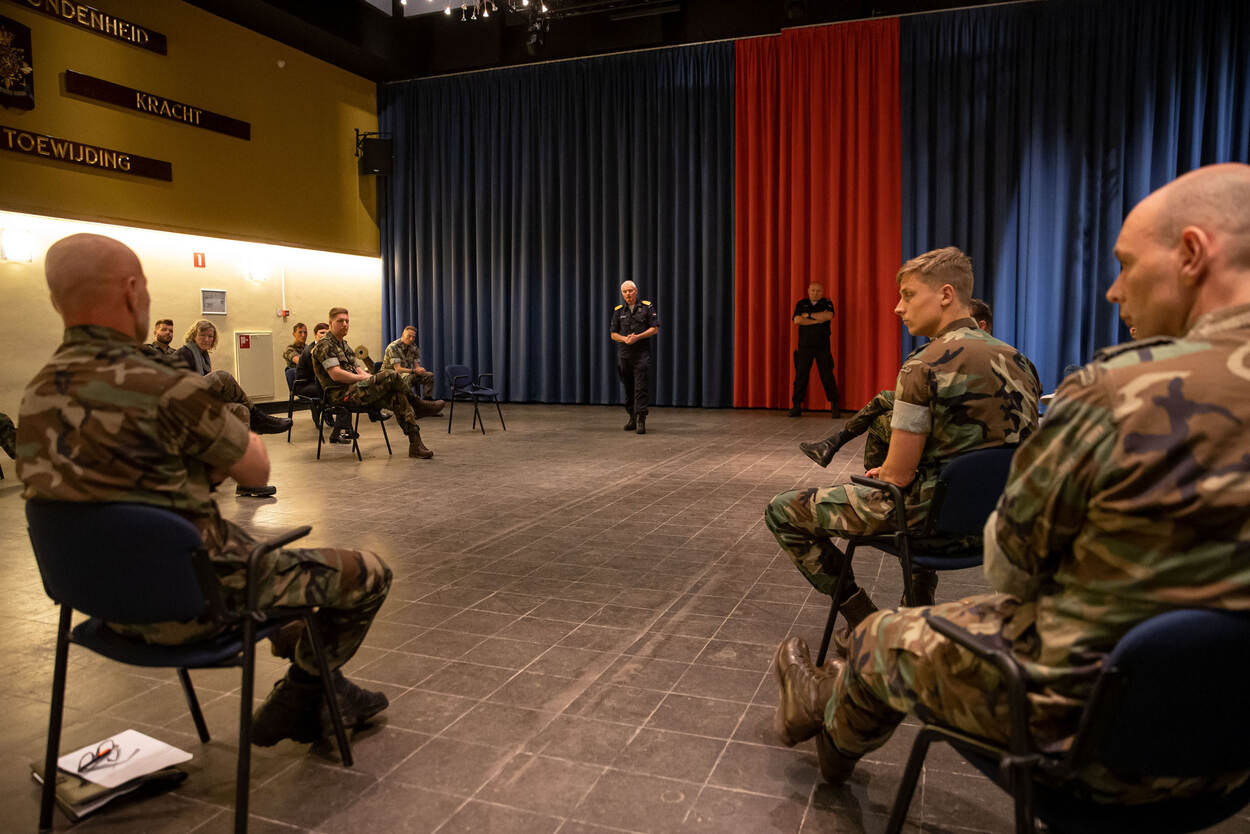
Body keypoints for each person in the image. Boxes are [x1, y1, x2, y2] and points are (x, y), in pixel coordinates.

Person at [773, 163, 1250, 804]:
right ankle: (824, 705)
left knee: (880, 636)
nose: (1115, 291)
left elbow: (1013, 562)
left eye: (1127, 265)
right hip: (1231, 753)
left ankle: (828, 719)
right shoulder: (1020, 360)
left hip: (1107, 743)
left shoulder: (1118, 389)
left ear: (1192, 253)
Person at [16, 233, 393, 746]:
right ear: (131, 291)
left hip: (100, 604)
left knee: (282, 597)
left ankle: (330, 691)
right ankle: (303, 692)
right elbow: (256, 472)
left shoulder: (36, 393)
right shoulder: (163, 384)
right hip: (193, 605)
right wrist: (227, 426)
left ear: (57, 300)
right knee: (368, 572)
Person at [765, 250, 1040, 636]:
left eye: (908, 295)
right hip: (995, 524)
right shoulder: (1020, 361)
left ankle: (868, 623)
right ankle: (918, 596)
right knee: (909, 468)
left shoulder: (923, 364)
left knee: (782, 511)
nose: (898, 308)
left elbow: (897, 478)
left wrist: (889, 472)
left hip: (929, 525)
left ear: (946, 295)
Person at [799, 297, 995, 470]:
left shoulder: (980, 355)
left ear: (981, 326)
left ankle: (861, 468)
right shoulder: (977, 350)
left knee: (880, 415)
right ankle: (839, 449)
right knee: (883, 405)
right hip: (943, 414)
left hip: (958, 427)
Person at [172, 319, 292, 496]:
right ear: (193, 336)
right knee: (222, 376)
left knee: (240, 411)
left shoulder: (203, 357)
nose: (206, 339)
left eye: (210, 336)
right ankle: (258, 417)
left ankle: (246, 482)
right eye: (202, 335)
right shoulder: (184, 354)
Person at [311, 307, 434, 459]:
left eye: (347, 321)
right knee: (391, 374)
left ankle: (415, 445)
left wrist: (369, 378)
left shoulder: (344, 345)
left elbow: (359, 371)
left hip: (357, 390)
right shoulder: (324, 345)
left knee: (397, 397)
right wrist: (366, 379)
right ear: (331, 323)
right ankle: (417, 404)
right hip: (341, 395)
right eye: (340, 321)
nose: (345, 324)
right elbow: (336, 375)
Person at [610, 280, 658, 434]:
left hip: (641, 354)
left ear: (636, 291)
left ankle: (641, 419)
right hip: (625, 355)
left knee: (640, 387)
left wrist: (638, 337)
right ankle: (631, 416)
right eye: (625, 292)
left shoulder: (646, 307)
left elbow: (654, 328)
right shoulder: (618, 311)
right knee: (629, 387)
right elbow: (613, 334)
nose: (628, 294)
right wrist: (624, 339)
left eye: (630, 291)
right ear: (622, 294)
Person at [789, 282, 840, 417]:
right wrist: (817, 320)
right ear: (808, 291)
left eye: (818, 291)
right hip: (804, 346)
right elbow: (797, 320)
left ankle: (834, 405)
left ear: (822, 292)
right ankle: (796, 406)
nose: (815, 293)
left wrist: (808, 316)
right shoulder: (801, 304)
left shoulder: (827, 303)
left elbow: (828, 316)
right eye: (813, 290)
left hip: (822, 346)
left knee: (827, 375)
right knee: (801, 376)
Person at [381, 326, 444, 412]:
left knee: (429, 376)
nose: (411, 339)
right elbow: (398, 369)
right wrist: (414, 371)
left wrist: (420, 370)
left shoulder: (413, 347)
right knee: (408, 377)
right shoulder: (393, 347)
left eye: (413, 337)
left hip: (406, 373)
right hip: (390, 376)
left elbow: (416, 365)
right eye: (409, 336)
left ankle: (428, 405)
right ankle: (407, 407)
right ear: (403, 335)